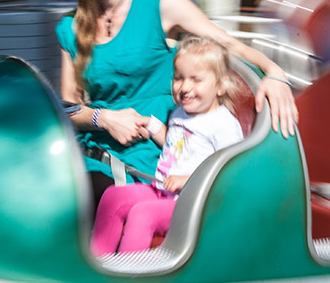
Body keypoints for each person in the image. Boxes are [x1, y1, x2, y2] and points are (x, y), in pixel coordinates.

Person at [56, 0, 297, 204]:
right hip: (88, 152)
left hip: (150, 158)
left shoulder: (162, 4)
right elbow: (68, 108)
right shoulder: (70, 26)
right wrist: (103, 118)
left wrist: (275, 73)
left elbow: (229, 44)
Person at [89, 36, 244, 255]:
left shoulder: (223, 124)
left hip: (193, 205)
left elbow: (230, 172)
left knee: (143, 214)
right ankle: (97, 259)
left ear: (220, 86)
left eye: (196, 80)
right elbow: (175, 143)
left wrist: (187, 179)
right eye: (179, 78)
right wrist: (151, 125)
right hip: (162, 191)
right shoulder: (182, 113)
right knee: (114, 197)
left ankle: (131, 270)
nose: (185, 87)